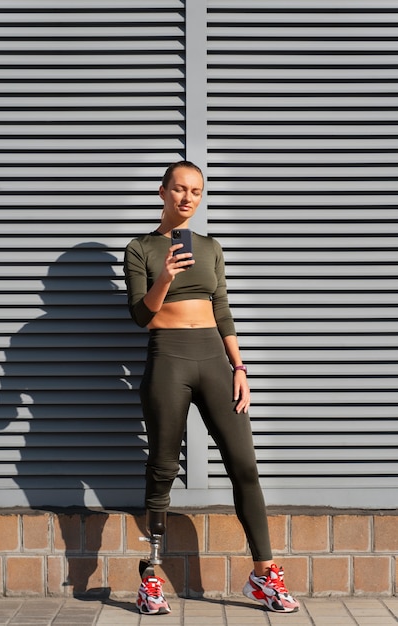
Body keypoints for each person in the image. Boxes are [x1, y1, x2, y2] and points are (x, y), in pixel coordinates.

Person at [124, 161, 300, 615]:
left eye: (196, 191)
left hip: (214, 362)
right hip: (168, 359)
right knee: (162, 467)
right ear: (161, 192)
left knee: (244, 465)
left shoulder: (211, 247)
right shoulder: (140, 247)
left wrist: (239, 366)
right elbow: (141, 317)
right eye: (179, 189)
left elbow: (221, 308)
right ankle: (151, 577)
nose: (187, 198)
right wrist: (164, 276)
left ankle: (264, 575)